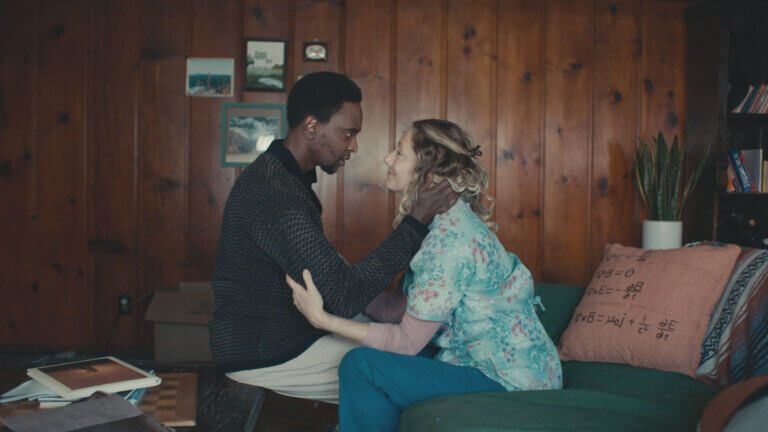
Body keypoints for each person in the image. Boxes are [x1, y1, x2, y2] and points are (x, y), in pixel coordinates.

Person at [287, 119, 563, 431]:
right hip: (484, 365)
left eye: (399, 153)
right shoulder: (437, 225)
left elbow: (405, 342)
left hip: (510, 382)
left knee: (360, 365)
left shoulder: (449, 242)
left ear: (428, 175)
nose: (387, 159)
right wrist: (338, 271)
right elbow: (393, 310)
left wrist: (323, 319)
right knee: (386, 358)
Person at [209, 72, 456, 403]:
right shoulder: (274, 194)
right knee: (407, 378)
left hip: (290, 331)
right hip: (263, 350)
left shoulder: (285, 179)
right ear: (312, 127)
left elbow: (336, 287)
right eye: (348, 134)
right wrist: (416, 222)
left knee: (416, 354)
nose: (353, 146)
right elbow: (342, 295)